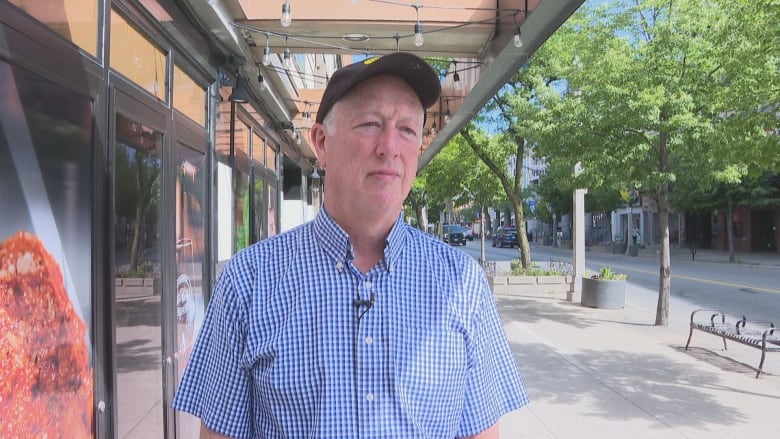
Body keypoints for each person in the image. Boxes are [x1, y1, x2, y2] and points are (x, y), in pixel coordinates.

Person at [172, 52, 529, 438]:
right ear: (322, 143)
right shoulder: (248, 281)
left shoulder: (462, 283)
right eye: (371, 124)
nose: (390, 146)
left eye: (407, 129)